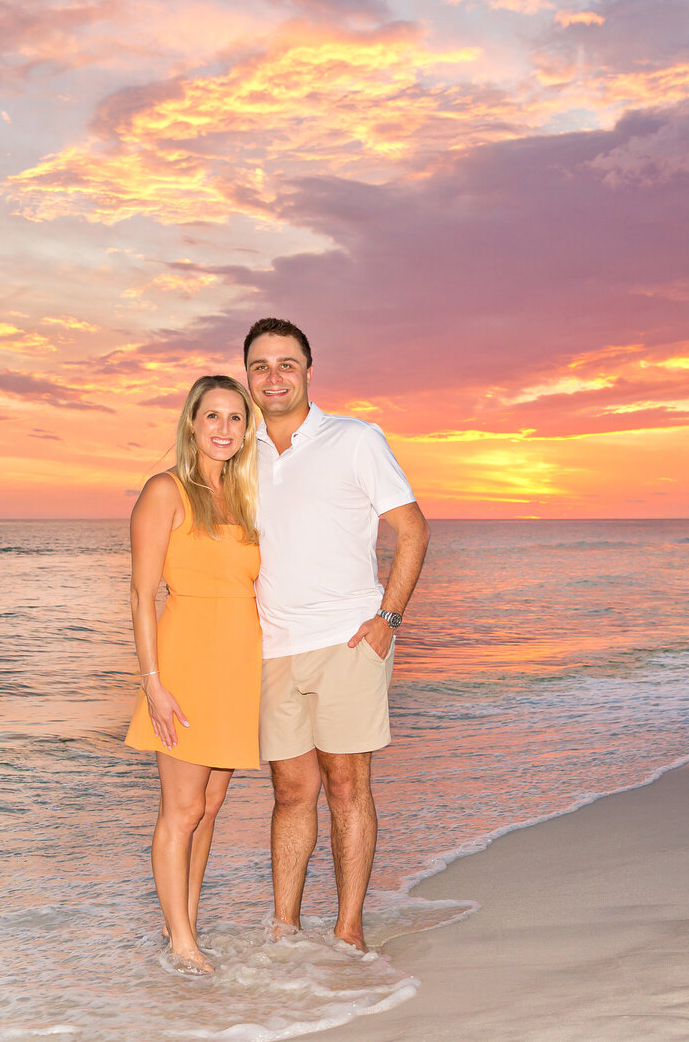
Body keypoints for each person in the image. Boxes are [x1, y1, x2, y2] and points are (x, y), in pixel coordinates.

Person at [243, 317, 430, 952]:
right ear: (248, 376)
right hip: (273, 648)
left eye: (286, 364)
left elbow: (413, 529)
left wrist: (390, 618)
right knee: (291, 792)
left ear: (308, 371)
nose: (274, 377)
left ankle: (348, 929)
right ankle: (284, 929)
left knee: (348, 786)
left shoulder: (355, 439)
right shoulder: (242, 454)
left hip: (350, 642)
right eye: (261, 366)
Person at [124, 374, 263, 975]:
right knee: (179, 810)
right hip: (184, 662)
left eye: (236, 418)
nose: (225, 429)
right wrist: (152, 681)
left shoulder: (244, 498)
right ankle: (181, 945)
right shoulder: (165, 491)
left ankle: (183, 921)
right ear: (191, 423)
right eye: (214, 417)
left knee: (210, 804)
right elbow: (140, 593)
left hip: (238, 665)